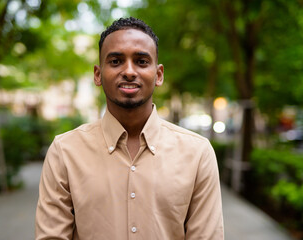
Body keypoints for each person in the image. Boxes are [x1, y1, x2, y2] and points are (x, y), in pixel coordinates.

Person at [35, 17, 224, 240]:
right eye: (116, 61)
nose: (129, 71)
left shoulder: (198, 153)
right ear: (98, 74)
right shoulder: (64, 152)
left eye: (142, 61)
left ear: (158, 74)